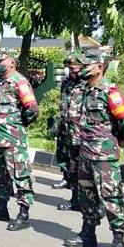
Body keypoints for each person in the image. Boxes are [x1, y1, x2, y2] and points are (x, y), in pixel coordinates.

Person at [63, 50, 124, 247]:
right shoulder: (83, 90)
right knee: (86, 195)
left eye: (86, 66)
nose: (82, 69)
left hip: (104, 155)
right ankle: (88, 232)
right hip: (84, 151)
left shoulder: (110, 92)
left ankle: (118, 240)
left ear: (99, 67)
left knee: (111, 197)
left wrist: (113, 140)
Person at [0, 49, 39, 231]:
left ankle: (23, 214)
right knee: (0, 176)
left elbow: (32, 109)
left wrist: (18, 125)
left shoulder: (20, 82)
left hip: (13, 138)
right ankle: (1, 209)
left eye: (2, 60)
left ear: (12, 62)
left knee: (20, 176)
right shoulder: (0, 82)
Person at [56, 54, 86, 212]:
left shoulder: (89, 85)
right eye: (68, 68)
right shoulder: (67, 84)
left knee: (86, 171)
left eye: (73, 68)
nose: (70, 71)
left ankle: (90, 202)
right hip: (68, 133)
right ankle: (75, 200)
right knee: (73, 168)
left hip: (85, 135)